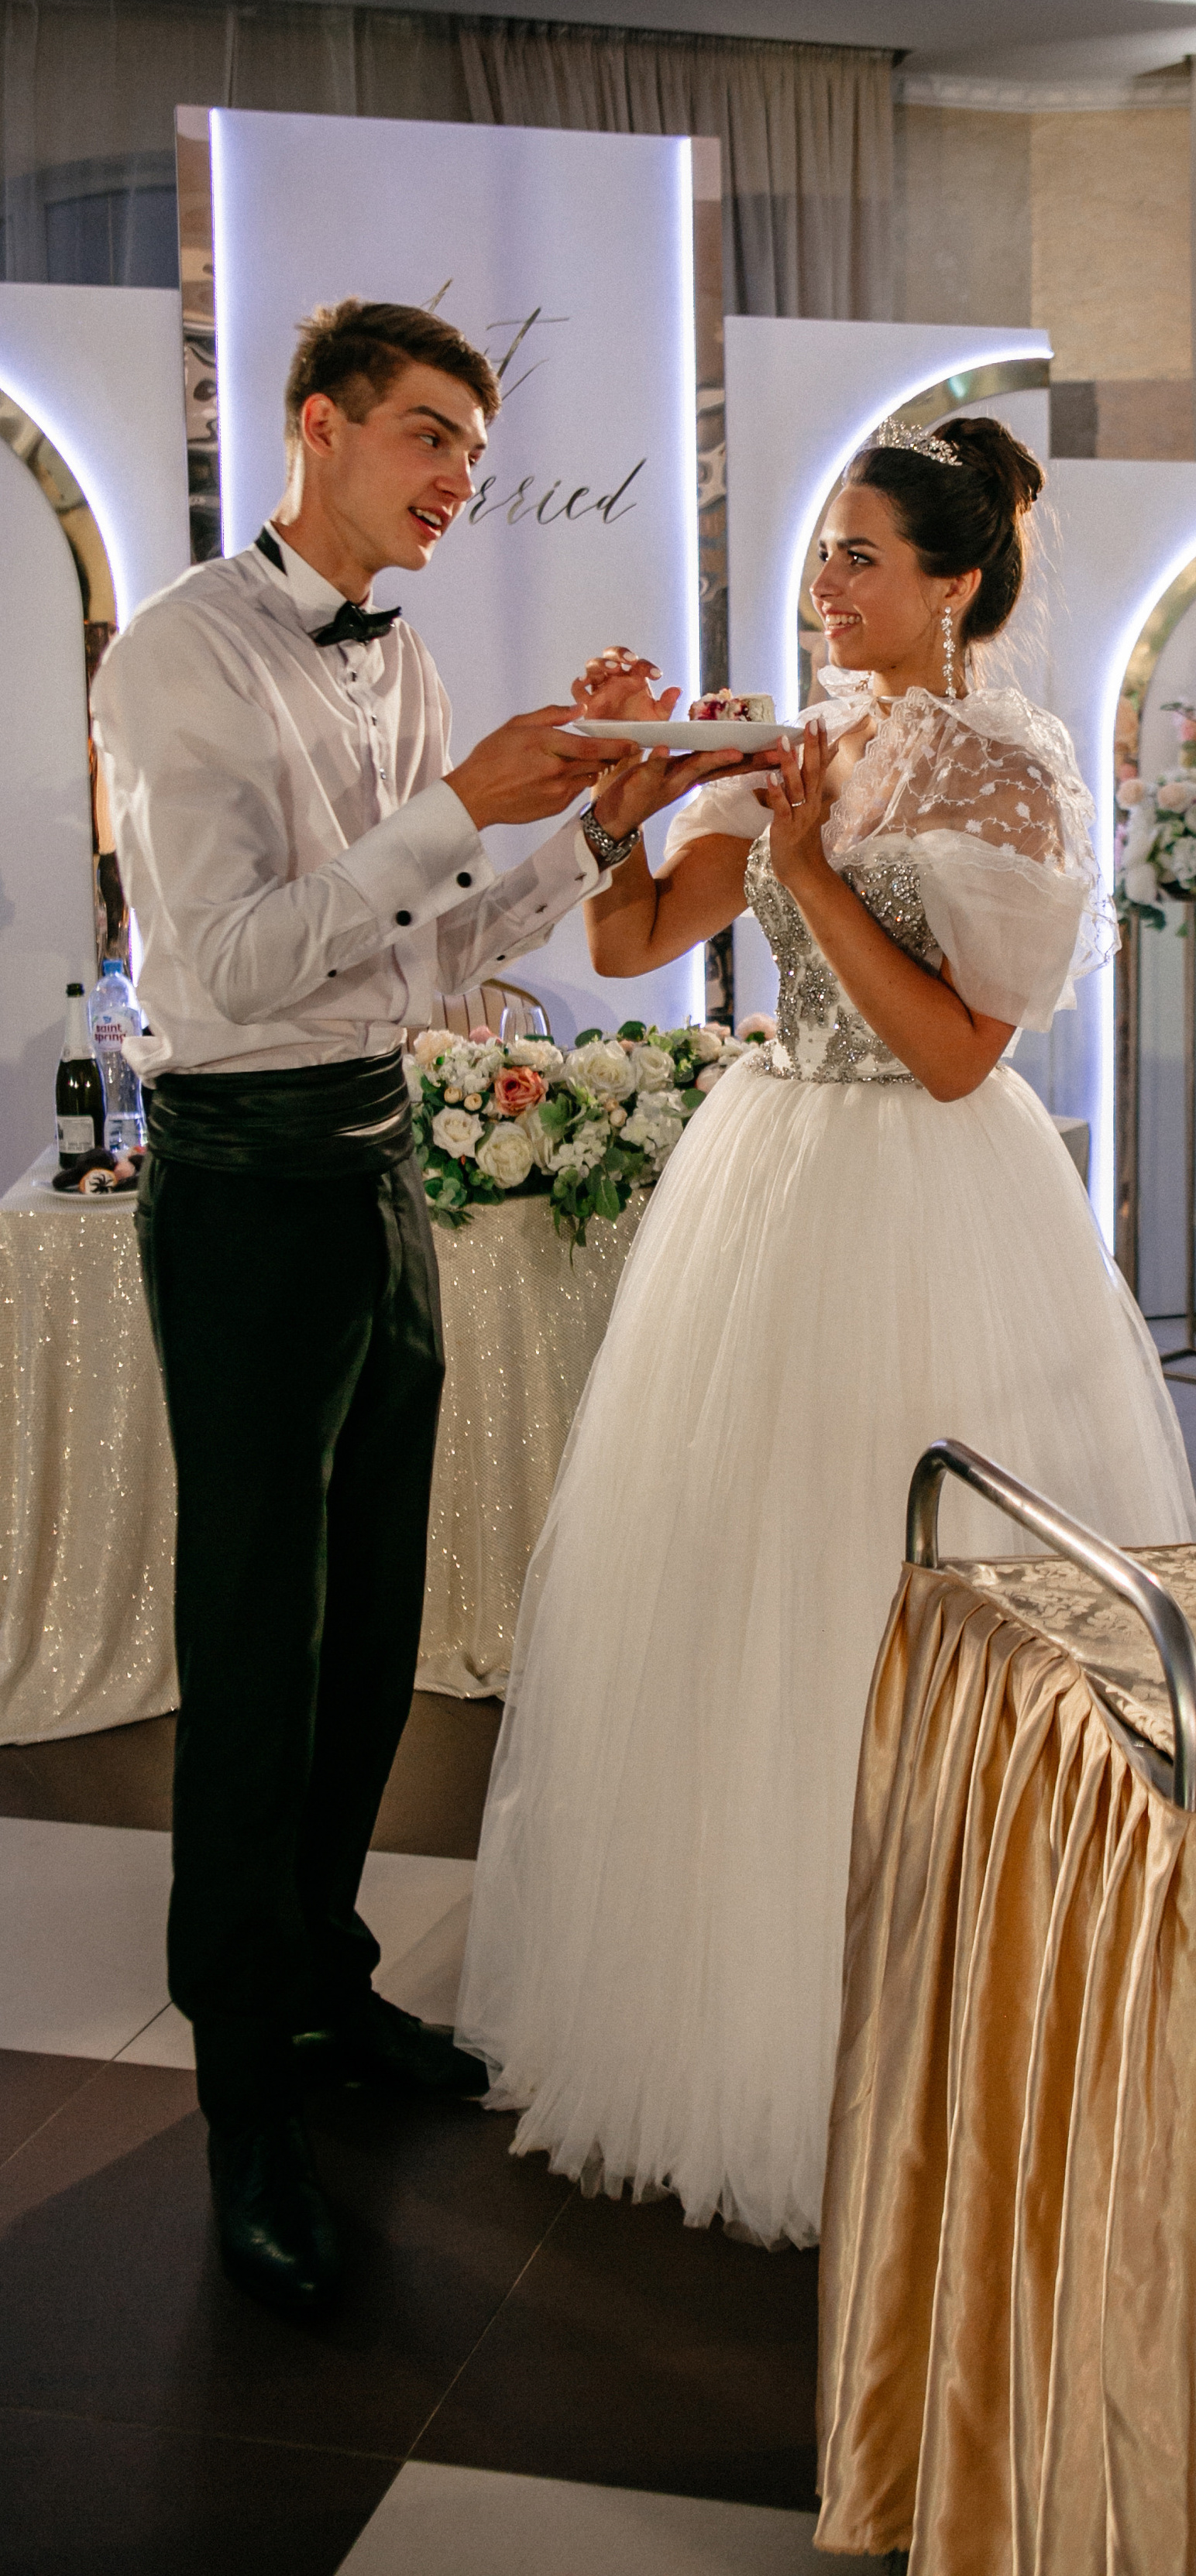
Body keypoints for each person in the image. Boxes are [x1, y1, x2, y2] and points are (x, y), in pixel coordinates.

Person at [455, 414, 1196, 2248]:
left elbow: (956, 1057)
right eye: (821, 555)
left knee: (906, 1606)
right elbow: (634, 949)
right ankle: (738, 2006)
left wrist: (801, 871)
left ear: (956, 582)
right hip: (766, 1174)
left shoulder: (1001, 770)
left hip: (922, 1203)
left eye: (861, 558)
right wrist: (620, 813)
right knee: (739, 1588)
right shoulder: (798, 744)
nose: (827, 584)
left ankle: (948, 2026)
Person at [91, 296, 741, 2319]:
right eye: (430, 439)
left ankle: (331, 1988)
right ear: (319, 428)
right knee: (257, 1655)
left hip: (385, 1161)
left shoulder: (416, 655)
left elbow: (446, 943)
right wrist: (465, 790)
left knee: (373, 1628)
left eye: (471, 446)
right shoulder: (180, 652)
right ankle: (242, 2111)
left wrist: (591, 820)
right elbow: (230, 972)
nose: (460, 479)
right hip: (246, 1188)